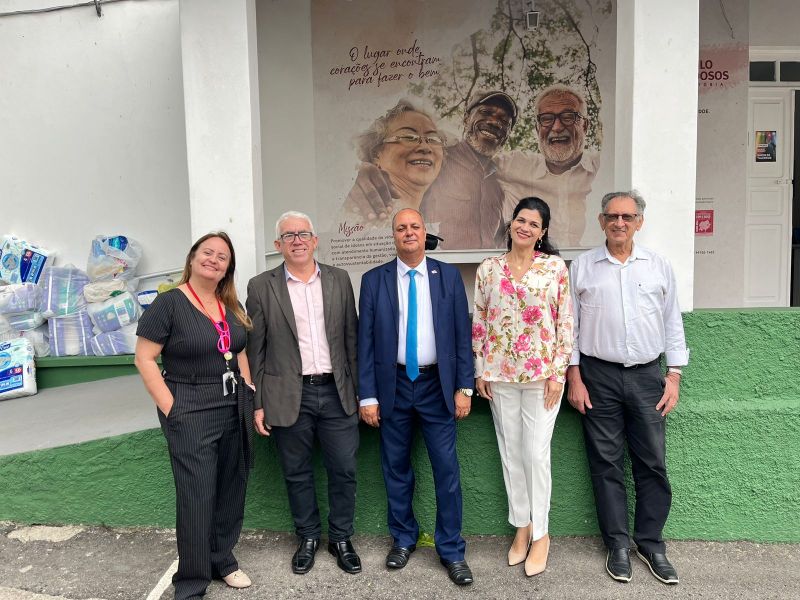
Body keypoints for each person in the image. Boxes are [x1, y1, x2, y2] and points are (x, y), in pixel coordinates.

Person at [566, 190, 689, 585]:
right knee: (606, 464)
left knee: (652, 462)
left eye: (628, 216)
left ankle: (651, 544)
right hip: (597, 376)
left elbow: (672, 322)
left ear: (639, 222)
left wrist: (674, 375)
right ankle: (617, 545)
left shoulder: (658, 266)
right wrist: (574, 377)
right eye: (612, 216)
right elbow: (570, 327)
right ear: (601, 221)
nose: (619, 223)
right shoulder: (582, 267)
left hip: (648, 377)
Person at [135, 232, 255, 600]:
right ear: (192, 258)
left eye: (222, 257)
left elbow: (239, 350)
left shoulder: (230, 305)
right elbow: (144, 358)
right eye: (208, 252)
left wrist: (248, 387)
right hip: (190, 407)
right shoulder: (169, 304)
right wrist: (171, 407)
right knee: (197, 496)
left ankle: (222, 560)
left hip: (233, 405)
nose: (213, 260)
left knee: (231, 488)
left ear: (227, 269)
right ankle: (191, 583)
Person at [358, 208, 475, 585]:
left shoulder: (448, 277)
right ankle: (404, 538)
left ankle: (451, 549)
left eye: (414, 227)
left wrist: (464, 387)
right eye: (401, 228)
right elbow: (365, 343)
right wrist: (367, 395)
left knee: (447, 471)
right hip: (391, 385)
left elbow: (462, 335)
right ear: (393, 236)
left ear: (425, 233)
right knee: (395, 468)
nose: (408, 232)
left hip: (437, 387)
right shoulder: (374, 280)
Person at [245, 211, 361, 575]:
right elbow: (256, 350)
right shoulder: (261, 286)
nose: (297, 240)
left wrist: (362, 393)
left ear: (315, 240)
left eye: (303, 234)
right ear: (278, 245)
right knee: (296, 472)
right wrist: (258, 403)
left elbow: (352, 339)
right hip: (286, 394)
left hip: (337, 391)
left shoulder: (339, 279)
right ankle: (308, 537)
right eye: (289, 235)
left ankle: (341, 539)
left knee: (344, 469)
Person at [472, 197, 573, 577]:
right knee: (511, 454)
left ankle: (542, 534)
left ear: (542, 232)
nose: (525, 227)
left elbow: (565, 323)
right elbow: (480, 321)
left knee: (535, 453)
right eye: (520, 220)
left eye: (533, 223)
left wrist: (558, 374)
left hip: (541, 377)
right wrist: (480, 370)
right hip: (499, 375)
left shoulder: (554, 268)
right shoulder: (489, 269)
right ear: (510, 223)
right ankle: (522, 526)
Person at [347, 90, 518, 250]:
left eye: (505, 121)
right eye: (486, 112)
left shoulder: (498, 188)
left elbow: (498, 241)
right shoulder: (437, 160)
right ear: (466, 118)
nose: (495, 122)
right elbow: (389, 172)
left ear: (508, 133)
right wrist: (360, 173)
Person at [496, 84, 600, 247]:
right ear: (538, 129)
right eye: (546, 119)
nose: (557, 127)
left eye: (568, 117)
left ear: (585, 126)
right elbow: (467, 157)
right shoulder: (513, 166)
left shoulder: (602, 168)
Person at [342, 100, 445, 227]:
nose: (425, 147)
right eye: (408, 137)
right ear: (376, 154)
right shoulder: (364, 211)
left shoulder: (432, 220)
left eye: (433, 139)